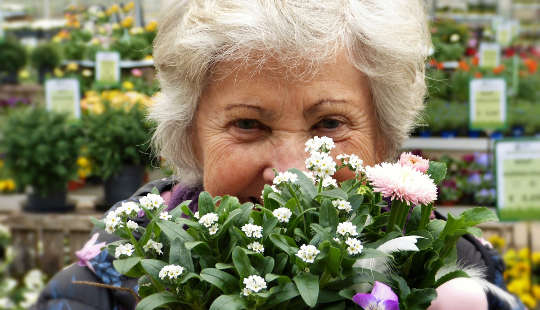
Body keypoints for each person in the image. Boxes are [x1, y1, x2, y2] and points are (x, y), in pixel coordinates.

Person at [33, 1, 521, 309]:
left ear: (384, 141)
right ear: (190, 136)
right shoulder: (97, 293)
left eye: (330, 124)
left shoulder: (450, 280)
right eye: (248, 124)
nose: (291, 172)